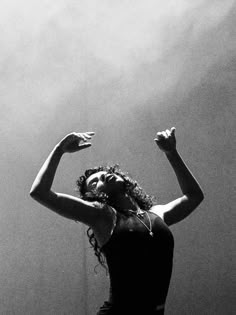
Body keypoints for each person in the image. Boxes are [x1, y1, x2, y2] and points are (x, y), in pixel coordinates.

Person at [30, 127, 204, 315]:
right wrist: (59, 150)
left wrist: (171, 153)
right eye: (94, 182)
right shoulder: (103, 215)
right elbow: (40, 192)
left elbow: (193, 196)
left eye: (103, 173)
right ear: (94, 196)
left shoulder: (157, 213)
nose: (102, 176)